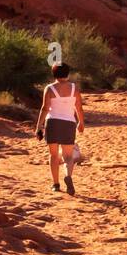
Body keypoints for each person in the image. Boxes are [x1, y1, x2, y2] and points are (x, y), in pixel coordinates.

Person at [35, 63, 85, 194]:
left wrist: (38, 126)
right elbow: (79, 107)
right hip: (69, 123)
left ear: (54, 74)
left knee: (54, 155)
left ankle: (56, 184)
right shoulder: (74, 88)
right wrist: (81, 122)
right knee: (68, 156)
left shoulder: (50, 88)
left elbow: (45, 108)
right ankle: (68, 175)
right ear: (67, 74)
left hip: (52, 123)